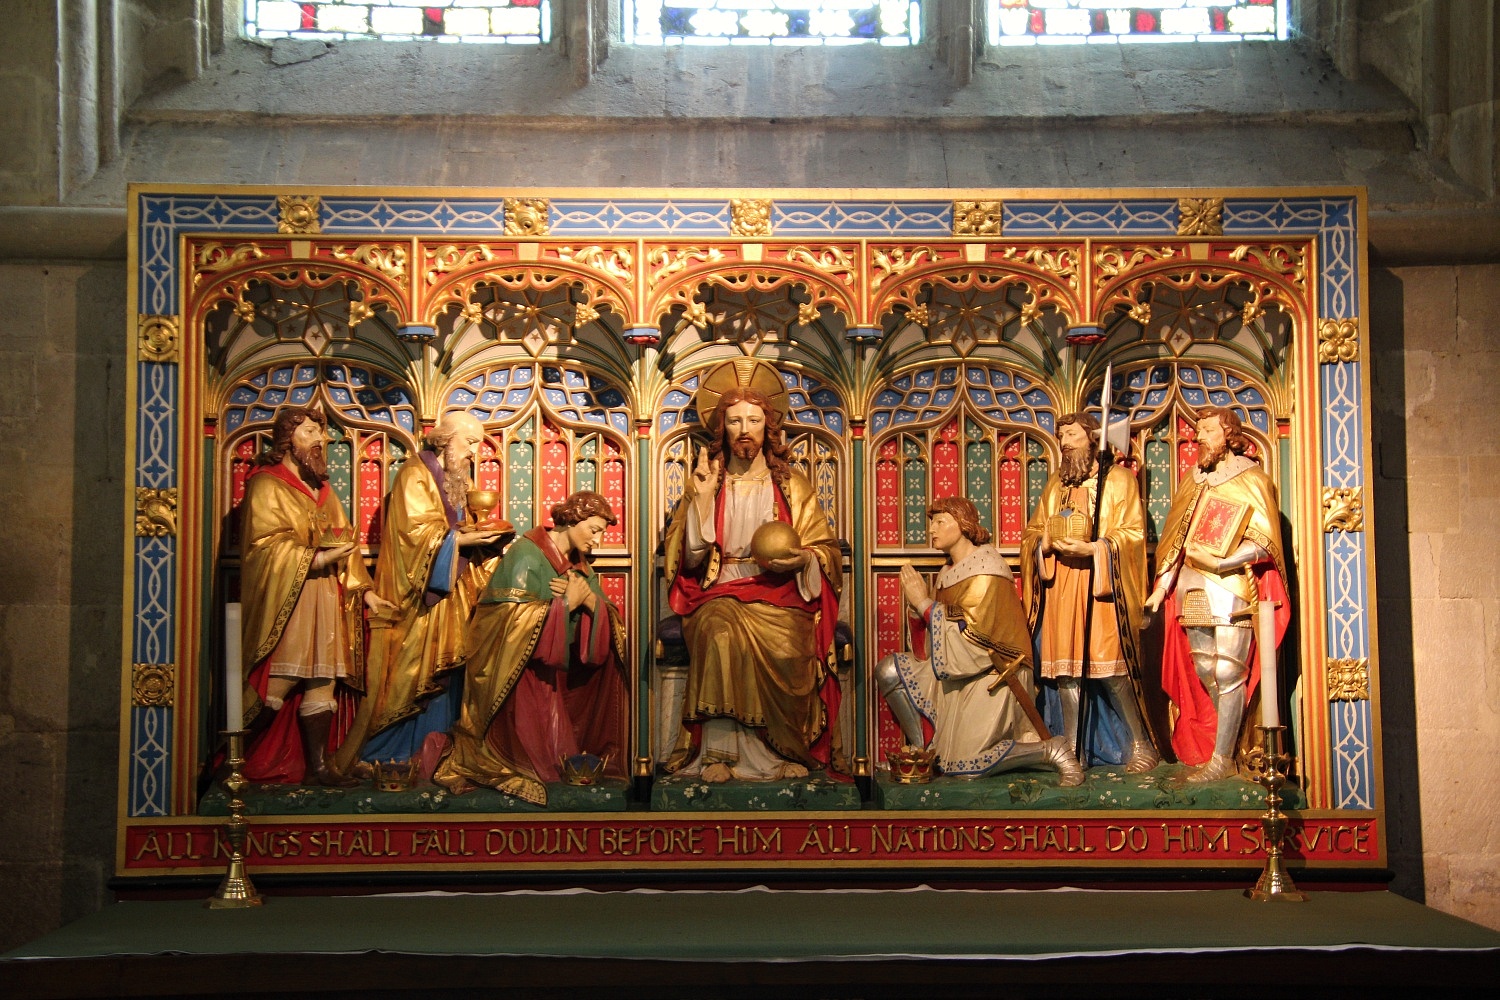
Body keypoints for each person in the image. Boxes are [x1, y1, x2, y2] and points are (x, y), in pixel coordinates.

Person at [662, 360, 843, 783]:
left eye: (754, 420)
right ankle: (719, 755)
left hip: (781, 593)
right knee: (718, 631)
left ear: (768, 428)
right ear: (721, 428)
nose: (744, 429)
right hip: (718, 590)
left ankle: (781, 751)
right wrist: (702, 499)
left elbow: (824, 548)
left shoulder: (793, 486)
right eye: (734, 420)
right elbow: (688, 560)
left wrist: (804, 560)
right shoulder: (705, 481)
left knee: (789, 648)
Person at [332, 411, 508, 778]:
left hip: (453, 595)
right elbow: (415, 536)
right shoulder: (414, 474)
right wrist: (464, 539)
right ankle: (390, 753)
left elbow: (457, 529)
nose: (474, 452)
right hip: (418, 598)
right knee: (413, 675)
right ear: (445, 439)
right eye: (469, 442)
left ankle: (438, 751)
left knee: (450, 672)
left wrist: (483, 536)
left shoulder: (458, 480)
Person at [434, 491, 629, 804]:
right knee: (537, 761)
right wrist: (565, 606)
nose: (598, 540)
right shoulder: (526, 554)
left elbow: (610, 618)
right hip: (515, 682)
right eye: (594, 530)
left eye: (602, 533)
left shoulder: (578, 565)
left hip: (552, 681)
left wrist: (588, 601)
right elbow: (503, 624)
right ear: (572, 521)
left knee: (555, 762)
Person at [874, 497, 1083, 783]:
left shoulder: (986, 569)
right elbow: (935, 646)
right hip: (957, 669)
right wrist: (918, 611)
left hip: (995, 674)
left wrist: (923, 604)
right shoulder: (948, 572)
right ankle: (925, 753)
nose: (931, 529)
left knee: (968, 764)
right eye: (931, 523)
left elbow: (975, 640)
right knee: (889, 670)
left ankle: (1050, 750)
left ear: (962, 525)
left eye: (940, 522)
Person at [237, 403, 381, 786]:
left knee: (323, 680)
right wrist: (315, 559)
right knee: (279, 680)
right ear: (288, 440)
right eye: (310, 432)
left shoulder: (322, 490)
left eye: (321, 433)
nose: (321, 440)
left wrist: (365, 592)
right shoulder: (266, 484)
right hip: (290, 597)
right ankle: (233, 760)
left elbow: (345, 542)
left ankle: (320, 767)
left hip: (327, 595)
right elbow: (263, 546)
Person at [1144, 407, 1290, 782]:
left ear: (1228, 434)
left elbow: (1266, 544)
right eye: (1198, 430)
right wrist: (1161, 586)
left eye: (1208, 430)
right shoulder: (1192, 480)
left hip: (1231, 587)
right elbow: (1176, 540)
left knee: (1228, 670)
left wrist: (1223, 562)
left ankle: (1222, 759)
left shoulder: (1251, 478)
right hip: (1191, 584)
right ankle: (1229, 742)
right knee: (1205, 669)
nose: (1199, 437)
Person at [1020, 411, 1159, 772]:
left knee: (1110, 667)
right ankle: (1073, 749)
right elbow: (1032, 532)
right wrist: (1044, 544)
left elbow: (1132, 534)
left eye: (1072, 435)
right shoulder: (1056, 485)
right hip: (1062, 585)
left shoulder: (1120, 480)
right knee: (1066, 672)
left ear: (1093, 438)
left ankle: (1140, 744)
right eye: (1061, 437)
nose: (1064, 443)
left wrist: (1096, 548)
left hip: (1101, 587)